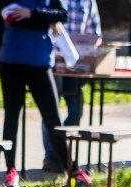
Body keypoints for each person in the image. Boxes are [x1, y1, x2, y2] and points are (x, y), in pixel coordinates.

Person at [0, 0, 91, 187]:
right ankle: (11, 171)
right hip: (12, 62)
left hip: (40, 62)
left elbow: (62, 15)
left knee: (53, 119)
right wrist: (46, 18)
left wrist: (33, 14)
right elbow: (12, 18)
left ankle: (72, 171)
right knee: (12, 116)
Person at [40, 0, 101, 173]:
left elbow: (94, 31)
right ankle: (52, 158)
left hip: (76, 64)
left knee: (76, 110)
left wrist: (86, 53)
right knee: (51, 112)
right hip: (53, 63)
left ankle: (62, 150)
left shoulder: (88, 1)